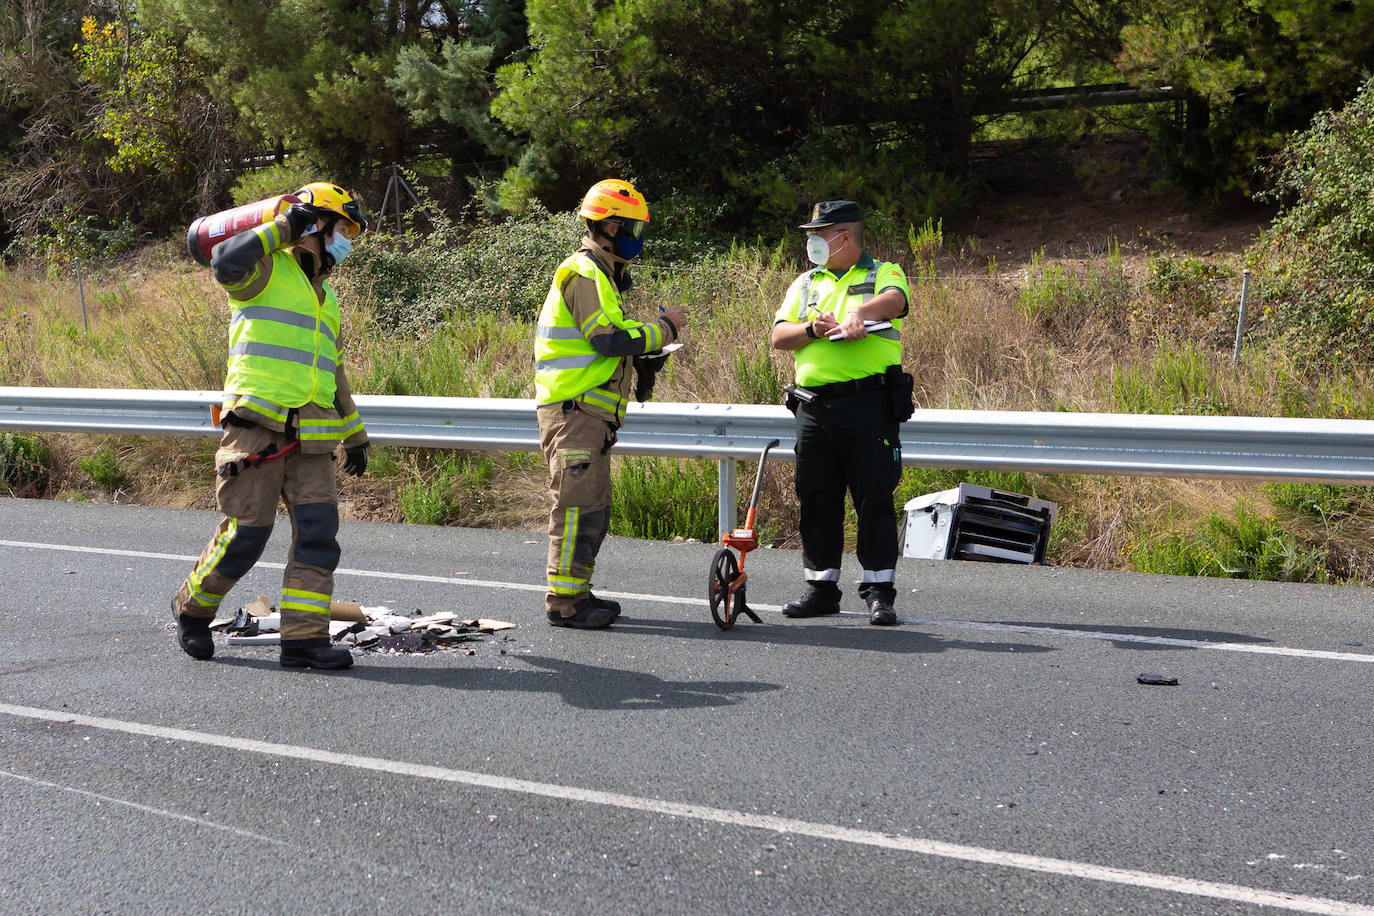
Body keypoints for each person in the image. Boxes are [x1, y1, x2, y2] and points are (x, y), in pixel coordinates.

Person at [171, 181, 371, 669]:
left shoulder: (326, 294)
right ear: (314, 223)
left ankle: (303, 640)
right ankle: (193, 610)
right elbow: (224, 263)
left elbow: (332, 369)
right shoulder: (264, 269)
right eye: (341, 226)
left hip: (313, 437)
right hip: (257, 428)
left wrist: (355, 432)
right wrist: (280, 228)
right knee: (246, 537)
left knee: (319, 535)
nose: (345, 239)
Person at [533, 179, 689, 629]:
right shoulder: (584, 273)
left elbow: (611, 344)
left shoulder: (603, 276)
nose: (637, 238)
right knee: (576, 507)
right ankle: (564, 603)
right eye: (633, 228)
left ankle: (576, 590)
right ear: (611, 227)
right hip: (575, 414)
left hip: (590, 415)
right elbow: (607, 340)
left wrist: (644, 359)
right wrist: (663, 328)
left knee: (592, 507)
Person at [769, 200, 913, 626]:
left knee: (873, 499)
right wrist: (811, 329)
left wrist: (857, 314)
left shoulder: (882, 272)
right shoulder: (806, 283)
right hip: (812, 407)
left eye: (819, 234)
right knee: (815, 496)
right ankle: (820, 589)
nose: (812, 242)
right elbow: (779, 336)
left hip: (867, 403)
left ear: (844, 236)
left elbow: (895, 301)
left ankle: (879, 593)